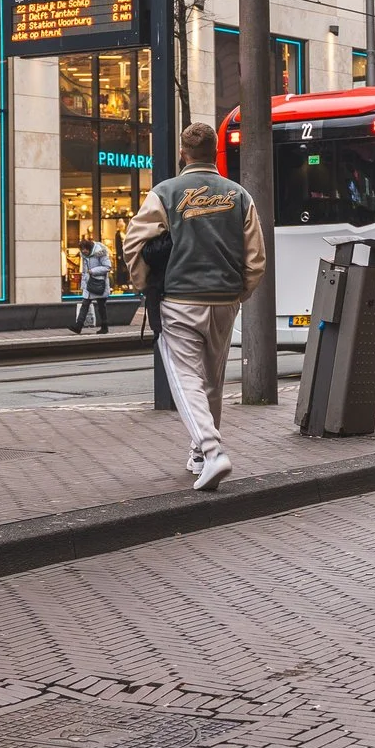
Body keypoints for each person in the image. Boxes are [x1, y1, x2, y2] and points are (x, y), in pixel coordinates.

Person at [123, 124, 266, 492]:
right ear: (216, 152)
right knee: (211, 382)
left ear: (183, 154)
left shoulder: (165, 193)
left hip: (180, 300)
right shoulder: (240, 196)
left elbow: (134, 243)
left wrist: (145, 285)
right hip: (223, 300)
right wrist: (239, 293)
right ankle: (200, 455)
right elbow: (256, 258)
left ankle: (213, 450)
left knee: (185, 380)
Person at [74, 234, 113, 334]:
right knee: (85, 304)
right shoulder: (84, 256)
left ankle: (104, 327)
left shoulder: (101, 252)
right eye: (82, 249)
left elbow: (107, 267)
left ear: (89, 248)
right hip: (89, 283)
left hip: (99, 283)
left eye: (85, 249)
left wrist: (93, 271)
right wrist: (83, 285)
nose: (83, 252)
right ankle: (78, 326)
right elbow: (84, 271)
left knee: (101, 306)